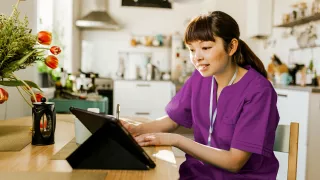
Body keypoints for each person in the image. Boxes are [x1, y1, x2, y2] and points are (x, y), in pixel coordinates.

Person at [121, 11, 280, 180]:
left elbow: (235, 162)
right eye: (191, 49)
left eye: (206, 48)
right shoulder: (199, 79)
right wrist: (133, 130)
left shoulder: (258, 90)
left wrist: (177, 140)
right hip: (197, 176)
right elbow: (173, 120)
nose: (197, 57)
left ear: (231, 47)